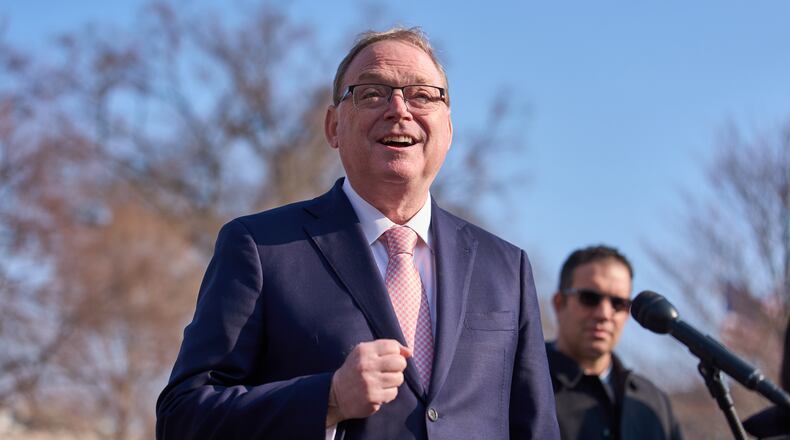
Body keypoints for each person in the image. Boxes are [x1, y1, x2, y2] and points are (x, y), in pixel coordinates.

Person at [156, 27, 559, 439]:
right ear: (333, 127)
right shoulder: (261, 248)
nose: (399, 109)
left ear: (449, 129)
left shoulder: (506, 267)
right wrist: (327, 399)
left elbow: (536, 428)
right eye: (371, 93)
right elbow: (182, 417)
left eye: (422, 95)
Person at [546, 245, 682, 439]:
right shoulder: (522, 384)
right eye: (589, 298)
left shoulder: (654, 402)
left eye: (618, 303)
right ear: (559, 303)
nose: (604, 314)